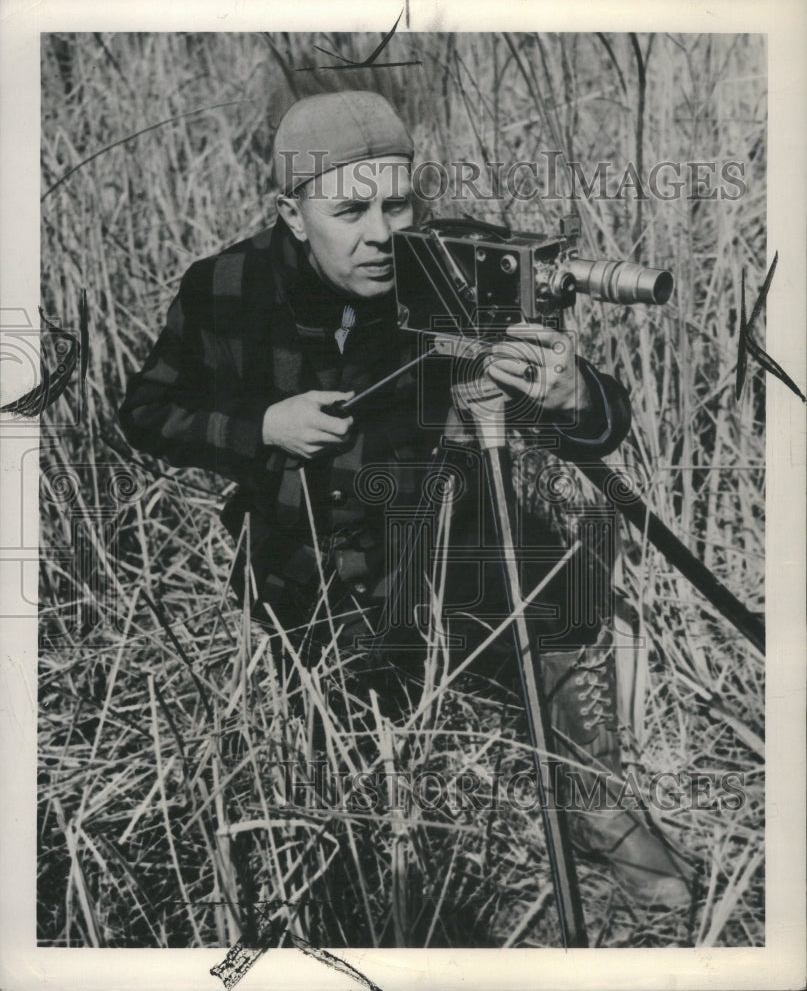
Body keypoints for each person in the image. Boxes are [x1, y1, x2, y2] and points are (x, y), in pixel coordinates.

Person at [119, 91, 692, 911]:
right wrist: (260, 427)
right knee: (350, 798)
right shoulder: (225, 289)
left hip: (452, 535)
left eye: (397, 203)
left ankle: (593, 810)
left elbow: (599, 429)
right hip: (309, 567)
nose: (381, 233)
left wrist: (569, 396)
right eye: (349, 210)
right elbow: (145, 412)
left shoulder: (457, 264)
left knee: (564, 598)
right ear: (291, 211)